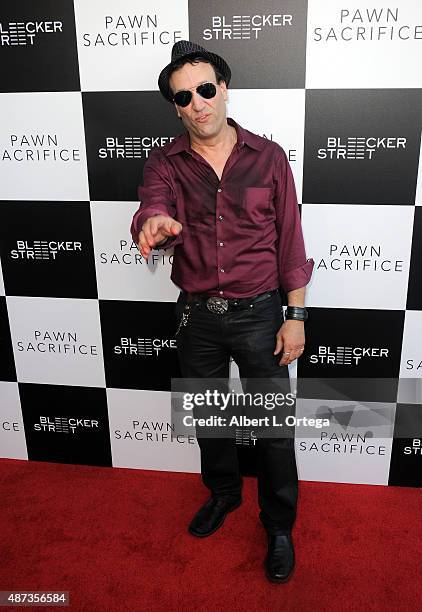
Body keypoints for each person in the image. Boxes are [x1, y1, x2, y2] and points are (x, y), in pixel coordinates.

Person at [130, 40, 314, 584]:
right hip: (198, 318)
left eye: (206, 89)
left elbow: (290, 242)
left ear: (224, 89)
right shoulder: (164, 162)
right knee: (209, 420)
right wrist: (152, 224)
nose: (198, 103)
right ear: (176, 106)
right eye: (183, 97)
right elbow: (152, 205)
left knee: (274, 428)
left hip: (262, 314)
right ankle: (224, 495)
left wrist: (295, 315)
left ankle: (279, 525)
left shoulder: (269, 157)